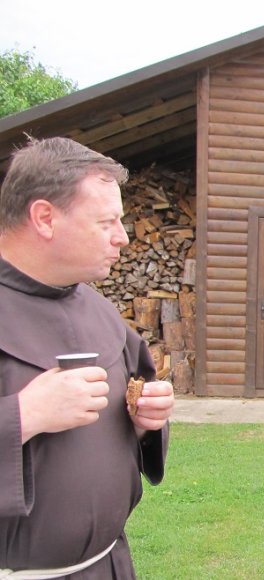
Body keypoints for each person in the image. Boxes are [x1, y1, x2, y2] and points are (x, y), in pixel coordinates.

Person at [0, 137, 174, 578]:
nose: (123, 236)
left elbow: (128, 417)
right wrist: (22, 415)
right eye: (106, 222)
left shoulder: (98, 309)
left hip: (106, 565)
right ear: (44, 218)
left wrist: (143, 418)